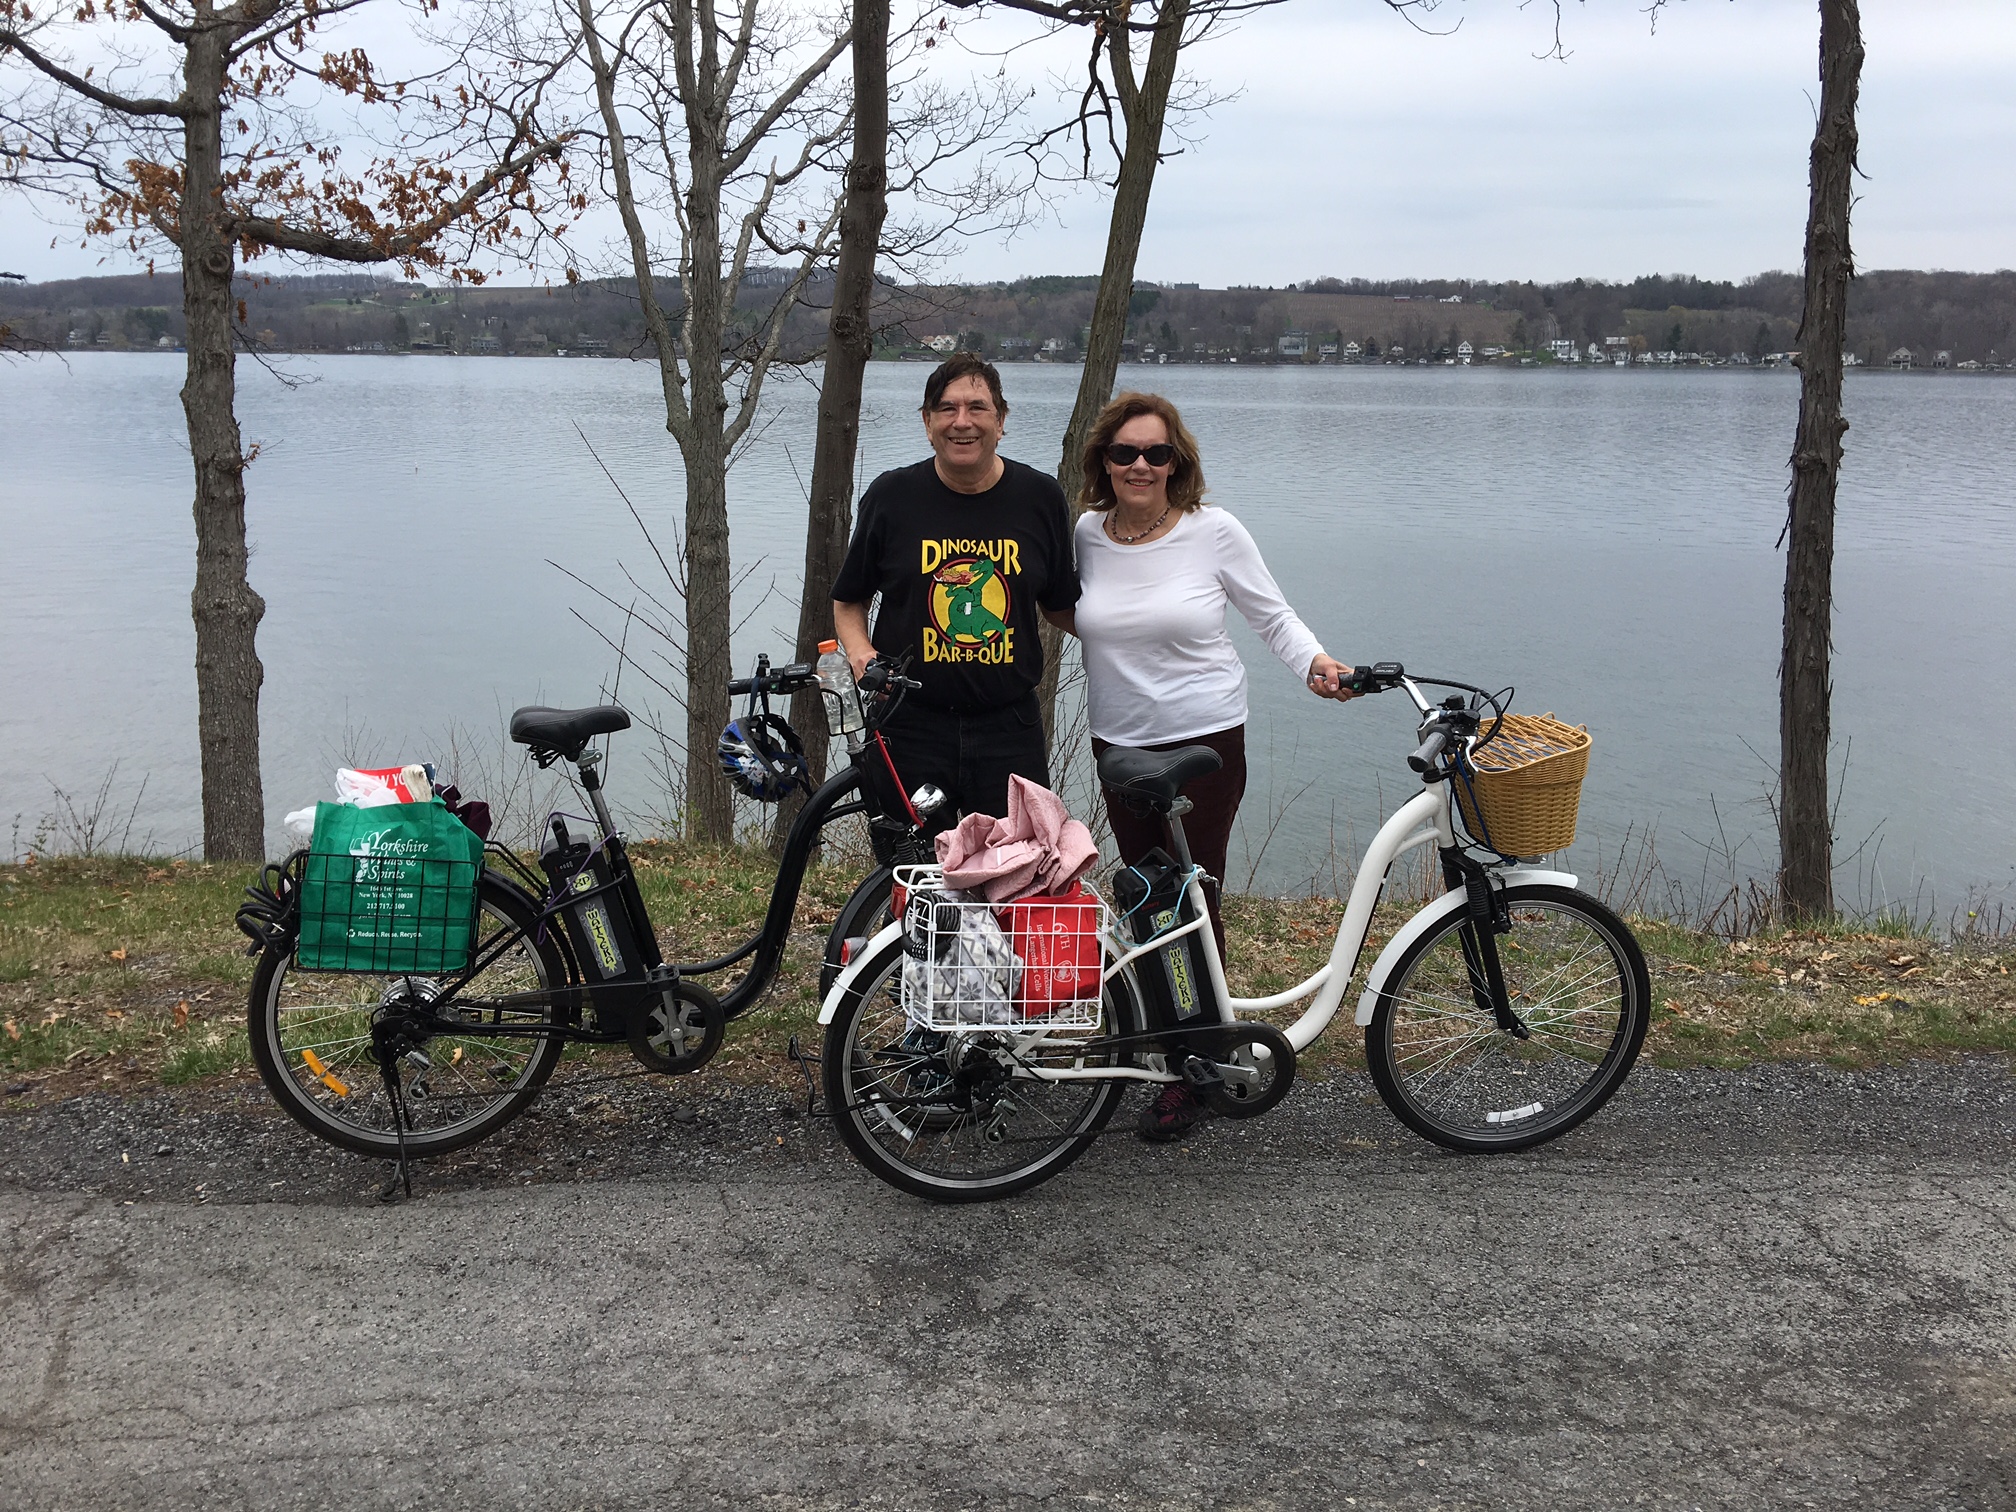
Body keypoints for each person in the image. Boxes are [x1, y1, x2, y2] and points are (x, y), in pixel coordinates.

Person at [1066, 391, 1357, 1141]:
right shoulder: (1087, 534)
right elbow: (1065, 608)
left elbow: (1271, 614)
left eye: (1155, 453)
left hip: (1205, 743)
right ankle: (1166, 1039)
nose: (1140, 465)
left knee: (1193, 900)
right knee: (1144, 902)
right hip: (1119, 745)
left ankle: (1196, 1068)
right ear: (1104, 460)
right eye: (1125, 452)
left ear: (1177, 462)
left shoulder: (1212, 530)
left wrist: (1316, 664)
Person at [831, 353, 1080, 826]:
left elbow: (1062, 606)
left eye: (977, 408)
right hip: (910, 724)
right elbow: (848, 600)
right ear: (927, 423)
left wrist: (1142, 630)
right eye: (946, 409)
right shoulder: (891, 497)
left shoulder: (1040, 497)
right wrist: (861, 653)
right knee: (915, 879)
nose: (961, 422)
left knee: (1018, 876)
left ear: (1001, 420)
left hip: (1011, 726)